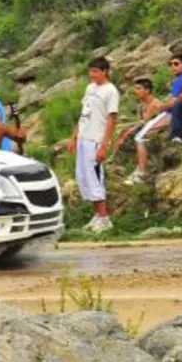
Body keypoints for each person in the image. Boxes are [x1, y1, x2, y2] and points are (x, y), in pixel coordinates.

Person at [123, 54, 182, 185]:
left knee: (139, 137)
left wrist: (162, 106)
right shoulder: (181, 79)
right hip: (173, 111)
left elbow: (175, 101)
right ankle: (140, 169)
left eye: (176, 64)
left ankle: (141, 173)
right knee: (139, 137)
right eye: (171, 64)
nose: (172, 67)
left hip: (171, 113)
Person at [70, 57, 119, 233]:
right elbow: (84, 112)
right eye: (90, 71)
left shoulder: (110, 91)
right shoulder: (90, 88)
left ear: (105, 71)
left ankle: (105, 218)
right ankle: (96, 215)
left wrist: (104, 144)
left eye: (96, 71)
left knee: (96, 177)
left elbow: (112, 119)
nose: (92, 75)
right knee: (84, 177)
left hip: (96, 139)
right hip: (84, 136)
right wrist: (74, 136)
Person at [114, 78, 163, 186]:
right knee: (123, 133)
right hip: (144, 129)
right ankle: (123, 166)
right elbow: (139, 121)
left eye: (139, 88)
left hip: (155, 131)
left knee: (129, 135)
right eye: (135, 88)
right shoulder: (141, 105)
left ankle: (140, 171)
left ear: (147, 90)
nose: (136, 91)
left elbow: (145, 121)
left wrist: (130, 130)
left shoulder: (155, 104)